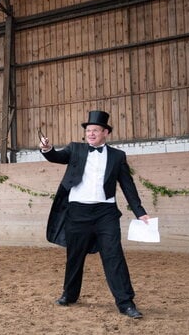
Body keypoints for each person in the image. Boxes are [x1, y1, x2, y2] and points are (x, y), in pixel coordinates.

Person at [39, 110, 150, 319]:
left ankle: (126, 303)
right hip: (77, 212)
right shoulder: (75, 149)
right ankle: (69, 295)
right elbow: (56, 156)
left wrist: (139, 212)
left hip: (105, 214)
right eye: (88, 130)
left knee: (114, 256)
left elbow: (128, 185)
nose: (90, 133)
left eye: (95, 130)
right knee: (75, 256)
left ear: (105, 132)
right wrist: (47, 149)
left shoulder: (118, 156)